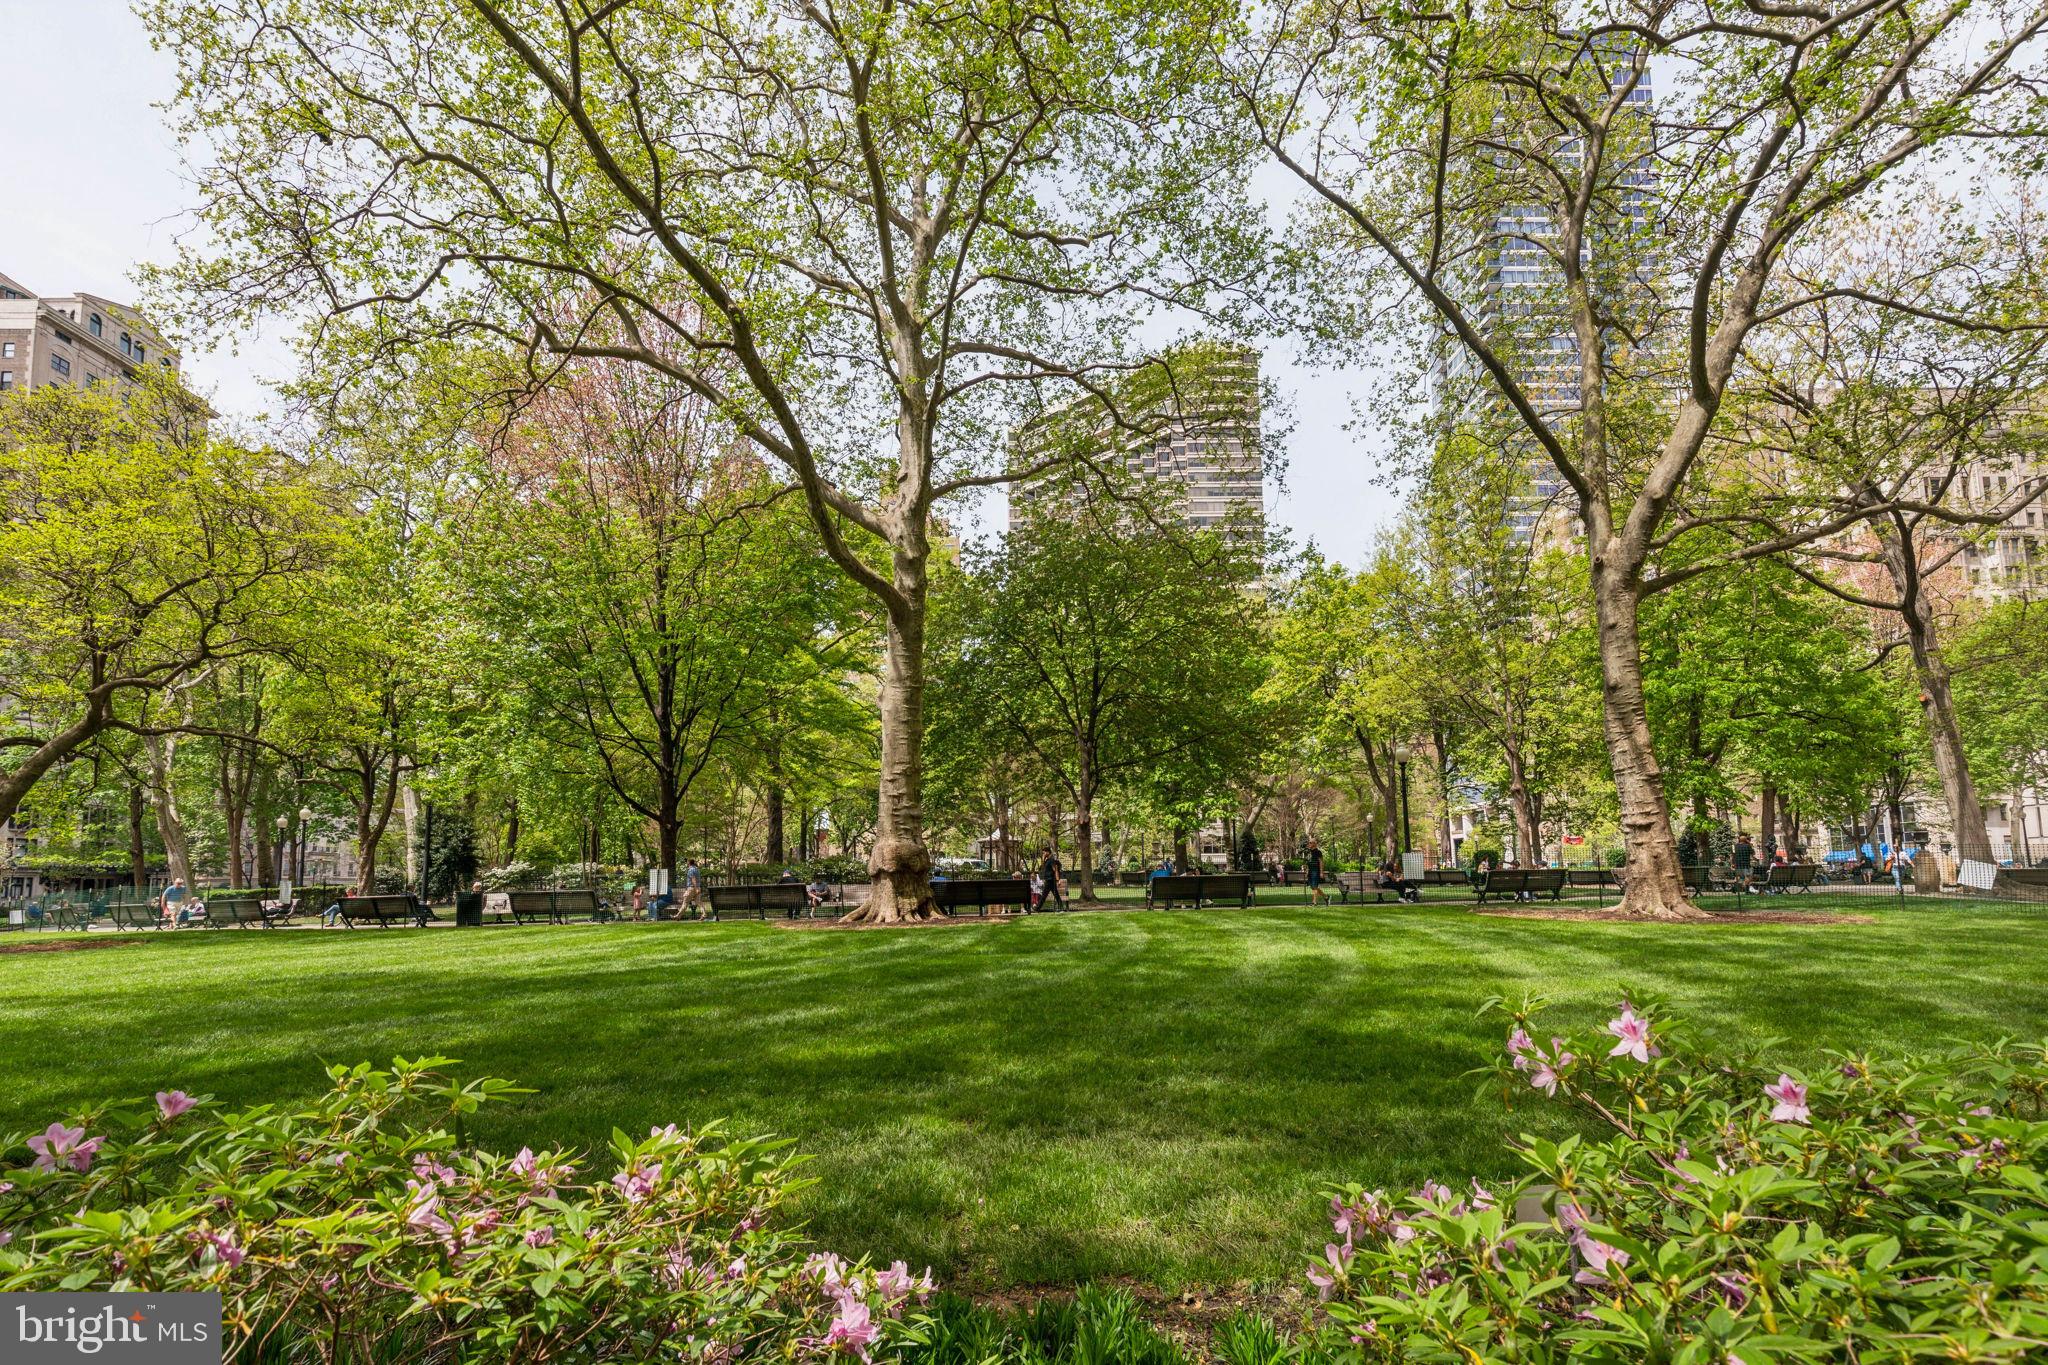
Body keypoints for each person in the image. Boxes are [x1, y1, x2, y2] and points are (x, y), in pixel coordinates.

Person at [1305, 839, 1327, 905]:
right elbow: (1308, 862)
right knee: (1313, 887)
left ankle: (1314, 902)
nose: (1309, 844)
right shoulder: (1309, 852)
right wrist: (1306, 870)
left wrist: (1321, 872)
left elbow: (1321, 862)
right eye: (1309, 843)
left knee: (1315, 886)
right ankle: (1326, 897)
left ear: (1315, 844)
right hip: (1310, 871)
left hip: (1316, 871)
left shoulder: (1318, 852)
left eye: (1310, 843)